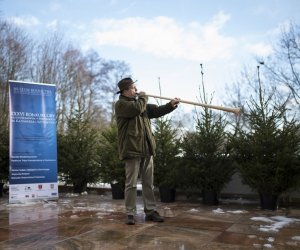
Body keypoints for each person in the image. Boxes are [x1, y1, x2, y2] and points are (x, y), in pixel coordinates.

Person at [114, 77, 180, 225]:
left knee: (148, 183)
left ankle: (150, 211)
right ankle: (130, 213)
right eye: (133, 88)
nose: (136, 90)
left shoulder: (141, 104)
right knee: (130, 184)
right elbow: (136, 109)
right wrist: (143, 97)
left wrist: (170, 105)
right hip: (131, 150)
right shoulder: (121, 105)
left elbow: (156, 111)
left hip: (146, 149)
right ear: (125, 91)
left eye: (136, 88)